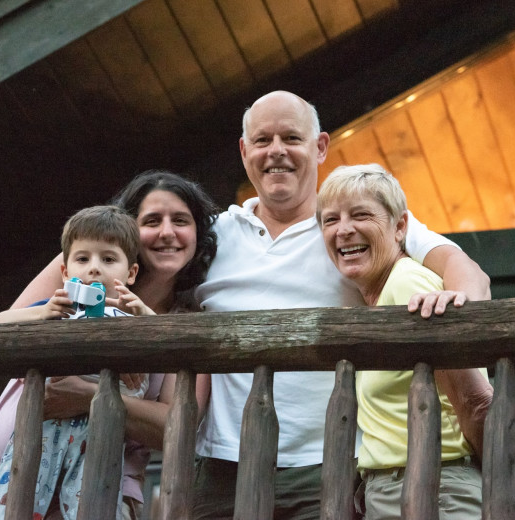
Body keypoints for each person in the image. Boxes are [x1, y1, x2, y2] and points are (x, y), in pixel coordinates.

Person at [191, 90, 491, 519]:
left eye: (291, 137)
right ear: (244, 151)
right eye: (262, 140)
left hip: (331, 461)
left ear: (320, 147)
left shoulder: (352, 224)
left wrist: (453, 305)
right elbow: (109, 257)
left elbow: (467, 272)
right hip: (225, 463)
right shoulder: (214, 235)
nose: (276, 151)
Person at [0, 170, 218, 520]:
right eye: (151, 221)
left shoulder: (185, 320)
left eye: (180, 220)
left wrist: (87, 395)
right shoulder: (80, 269)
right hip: (3, 474)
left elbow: (178, 427)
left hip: (98, 484)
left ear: (197, 233)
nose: (166, 232)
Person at [317, 163, 493, 519]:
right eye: (330, 220)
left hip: (437, 490)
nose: (344, 230)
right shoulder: (380, 296)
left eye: (361, 215)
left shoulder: (408, 285)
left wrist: (495, 480)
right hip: (402, 491)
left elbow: (475, 401)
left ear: (400, 227)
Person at [0, 204, 153, 520]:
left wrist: (146, 316)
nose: (94, 268)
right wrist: (40, 312)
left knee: (92, 505)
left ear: (130, 273)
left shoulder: (130, 316)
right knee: (16, 502)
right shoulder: (55, 310)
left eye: (109, 259)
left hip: (99, 430)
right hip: (41, 429)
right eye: (83, 259)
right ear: (65, 271)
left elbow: (166, 344)